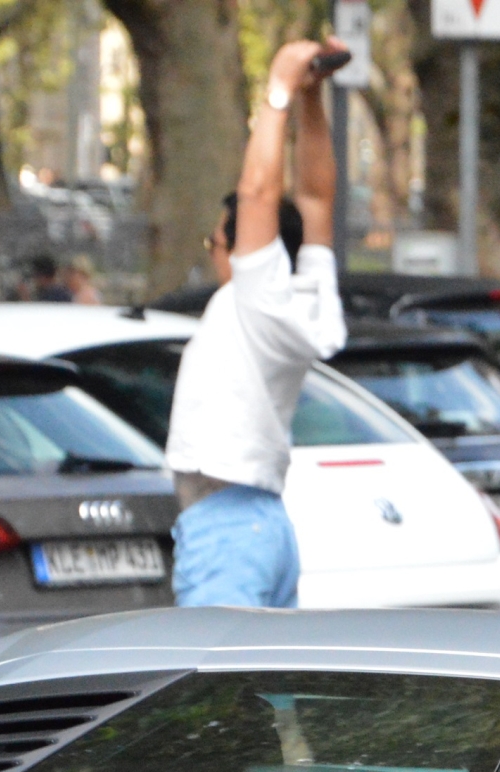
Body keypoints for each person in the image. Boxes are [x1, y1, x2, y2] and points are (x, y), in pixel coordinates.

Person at [161, 37, 349, 609]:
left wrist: (280, 88)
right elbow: (315, 196)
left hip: (226, 529)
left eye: (219, 240)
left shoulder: (258, 295)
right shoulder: (305, 288)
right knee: (261, 694)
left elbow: (258, 190)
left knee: (212, 689)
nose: (219, 251)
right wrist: (315, 102)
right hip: (265, 523)